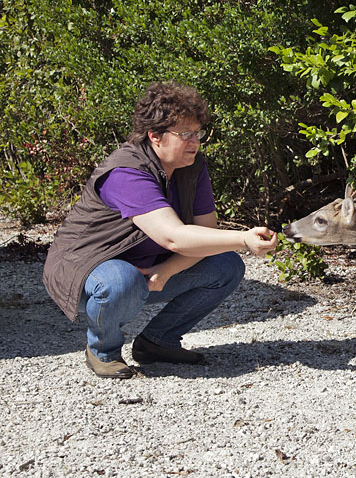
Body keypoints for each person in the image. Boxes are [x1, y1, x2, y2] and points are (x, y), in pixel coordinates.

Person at [43, 81, 278, 379]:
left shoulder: (191, 166)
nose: (195, 142)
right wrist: (243, 239)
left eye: (198, 133)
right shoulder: (125, 173)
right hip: (86, 269)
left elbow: (205, 234)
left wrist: (167, 270)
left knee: (225, 265)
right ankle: (103, 349)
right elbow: (173, 236)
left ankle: (157, 342)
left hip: (145, 269)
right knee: (121, 280)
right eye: (185, 134)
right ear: (155, 136)